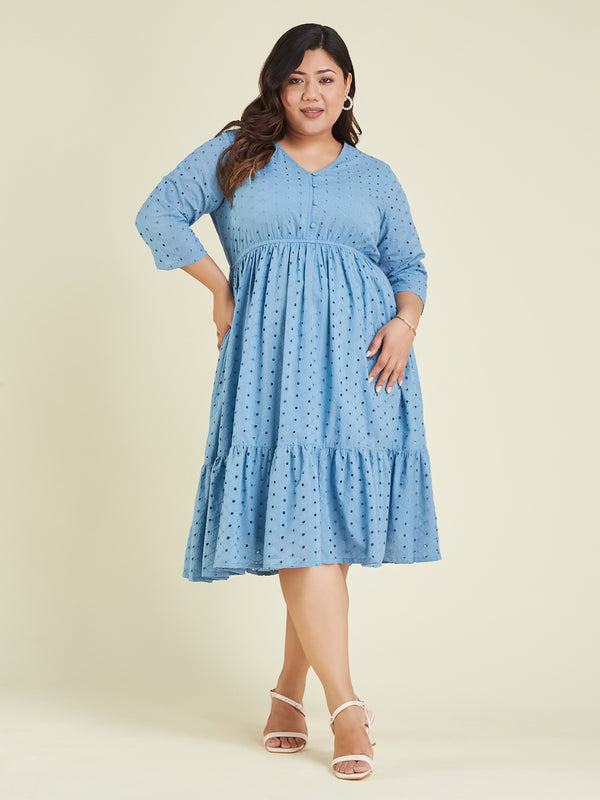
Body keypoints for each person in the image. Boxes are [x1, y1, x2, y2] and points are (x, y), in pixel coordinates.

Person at [135, 22, 441, 781]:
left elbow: (408, 264)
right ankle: (347, 706)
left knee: (322, 530)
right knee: (305, 525)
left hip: (363, 369)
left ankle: (287, 694)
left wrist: (404, 325)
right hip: (272, 368)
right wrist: (221, 288)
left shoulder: (374, 177)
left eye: (327, 78)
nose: (312, 93)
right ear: (276, 86)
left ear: (348, 88)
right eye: (297, 78)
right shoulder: (238, 154)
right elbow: (158, 212)